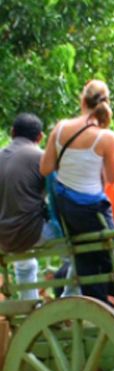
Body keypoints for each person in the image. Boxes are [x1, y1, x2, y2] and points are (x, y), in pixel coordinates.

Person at [40, 80, 114, 309]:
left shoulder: (60, 129)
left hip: (67, 209)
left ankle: (99, 308)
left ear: (82, 99)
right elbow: (111, 178)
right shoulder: (106, 137)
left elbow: (45, 168)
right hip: (93, 209)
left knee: (85, 259)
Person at [0, 113, 60, 299]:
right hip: (31, 232)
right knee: (77, 248)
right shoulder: (41, 157)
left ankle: (30, 308)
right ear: (40, 137)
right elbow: (57, 195)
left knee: (25, 264)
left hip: (2, 236)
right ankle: (69, 298)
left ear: (12, 133)